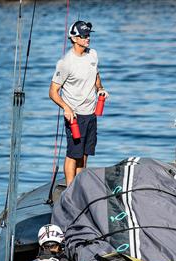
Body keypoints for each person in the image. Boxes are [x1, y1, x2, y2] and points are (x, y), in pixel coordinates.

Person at [49, 20, 107, 186]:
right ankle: (69, 190)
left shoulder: (93, 55)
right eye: (83, 35)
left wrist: (100, 89)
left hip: (91, 113)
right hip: (75, 116)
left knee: (84, 154)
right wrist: (66, 108)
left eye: (88, 35)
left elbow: (96, 76)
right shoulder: (65, 63)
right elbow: (53, 92)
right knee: (73, 154)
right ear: (74, 38)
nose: (87, 38)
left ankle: (79, 187)